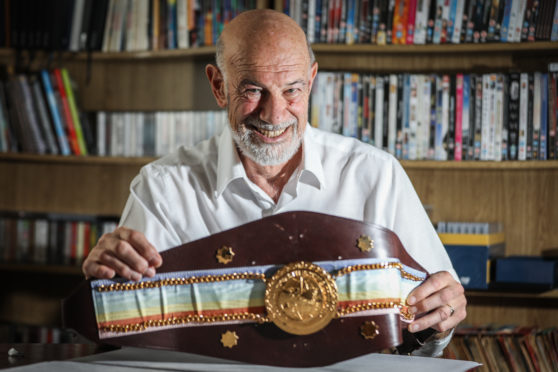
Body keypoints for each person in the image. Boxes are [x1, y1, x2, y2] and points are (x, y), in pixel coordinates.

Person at [82, 9, 466, 357]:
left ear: (311, 81)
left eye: (292, 90)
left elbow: (433, 323)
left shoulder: (375, 174)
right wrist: (106, 286)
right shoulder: (163, 188)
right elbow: (126, 334)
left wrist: (438, 318)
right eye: (252, 90)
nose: (274, 113)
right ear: (218, 85)